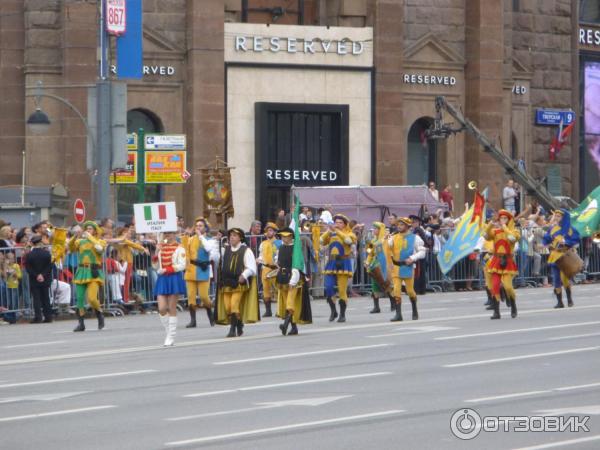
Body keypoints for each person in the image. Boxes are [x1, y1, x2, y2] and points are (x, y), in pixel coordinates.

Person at [216, 228, 259, 337]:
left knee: (234, 305)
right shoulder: (225, 249)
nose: (232, 237)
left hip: (239, 284)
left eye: (235, 235)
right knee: (227, 307)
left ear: (240, 238)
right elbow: (215, 258)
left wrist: (244, 275)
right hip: (226, 283)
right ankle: (239, 324)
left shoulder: (246, 250)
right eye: (231, 235)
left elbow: (252, 267)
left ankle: (232, 330)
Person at [68, 221, 106, 332]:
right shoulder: (80, 241)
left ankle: (99, 314)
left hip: (93, 271)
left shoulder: (100, 241)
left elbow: (99, 249)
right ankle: (81, 323)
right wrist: (75, 236)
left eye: (90, 229)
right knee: (79, 299)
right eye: (87, 229)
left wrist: (90, 237)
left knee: (92, 298)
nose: (88, 230)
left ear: (95, 231)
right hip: (81, 271)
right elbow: (70, 248)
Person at [484, 210, 521, 319]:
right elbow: (485, 235)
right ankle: (496, 312)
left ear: (509, 220)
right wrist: (491, 223)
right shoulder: (495, 231)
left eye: (505, 218)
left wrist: (505, 227)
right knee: (495, 286)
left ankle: (513, 305)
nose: (502, 220)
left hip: (508, 261)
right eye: (501, 219)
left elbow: (512, 239)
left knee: (508, 287)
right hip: (496, 260)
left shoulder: (514, 232)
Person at [182, 216, 218, 328]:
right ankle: (193, 321)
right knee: (191, 296)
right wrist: (186, 235)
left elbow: (208, 249)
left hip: (203, 270)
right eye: (196, 226)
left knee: (203, 296)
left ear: (206, 228)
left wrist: (200, 236)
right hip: (191, 269)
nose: (198, 227)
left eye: (200, 226)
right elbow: (184, 249)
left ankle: (210, 314)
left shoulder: (210, 240)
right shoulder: (191, 239)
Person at [388, 217, 426, 321]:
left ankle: (414, 309)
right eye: (398, 225)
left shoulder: (415, 238)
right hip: (396, 267)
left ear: (408, 226)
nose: (399, 227)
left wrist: (412, 258)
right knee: (396, 290)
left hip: (408, 267)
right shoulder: (393, 237)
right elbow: (387, 247)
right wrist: (385, 240)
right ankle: (398, 314)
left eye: (402, 225)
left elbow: (422, 252)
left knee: (410, 291)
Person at [320, 214, 357, 323]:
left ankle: (342, 314)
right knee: (328, 287)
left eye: (340, 223)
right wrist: (328, 231)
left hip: (343, 263)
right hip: (331, 262)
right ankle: (333, 311)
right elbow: (321, 241)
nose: (337, 224)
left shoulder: (349, 233)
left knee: (342, 290)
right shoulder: (331, 233)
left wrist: (338, 231)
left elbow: (348, 241)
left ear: (345, 224)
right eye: (336, 222)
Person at [275, 227, 312, 335]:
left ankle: (285, 325)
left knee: (290, 303)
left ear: (291, 237)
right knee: (286, 301)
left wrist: (292, 281)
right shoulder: (281, 247)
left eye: (286, 236)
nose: (283, 238)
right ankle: (293, 327)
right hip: (283, 277)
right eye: (282, 236)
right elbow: (279, 261)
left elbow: (296, 266)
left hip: (293, 278)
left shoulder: (296, 249)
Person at [154, 231, 187, 346]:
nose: (167, 234)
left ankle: (171, 336)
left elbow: (182, 265)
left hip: (173, 277)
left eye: (170, 232)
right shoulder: (161, 247)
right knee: (162, 308)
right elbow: (154, 265)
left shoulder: (180, 248)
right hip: (163, 278)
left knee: (171, 307)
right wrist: (157, 251)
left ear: (175, 234)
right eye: (165, 232)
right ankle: (168, 332)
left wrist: (168, 270)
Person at [543, 209, 580, 308]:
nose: (556, 218)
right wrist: (545, 244)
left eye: (559, 216)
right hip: (554, 256)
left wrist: (567, 242)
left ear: (564, 218)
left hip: (565, 256)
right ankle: (559, 302)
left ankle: (569, 299)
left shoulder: (570, 229)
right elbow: (546, 239)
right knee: (556, 279)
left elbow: (576, 239)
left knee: (564, 279)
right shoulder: (553, 228)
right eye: (556, 216)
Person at [114, 225, 149, 303]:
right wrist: (143, 248)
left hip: (127, 262)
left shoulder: (121, 240)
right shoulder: (123, 239)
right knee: (125, 282)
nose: (130, 235)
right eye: (128, 233)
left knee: (125, 282)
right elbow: (134, 245)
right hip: (125, 262)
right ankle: (125, 298)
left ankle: (125, 298)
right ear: (124, 233)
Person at [365, 222, 394, 313]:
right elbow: (369, 253)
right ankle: (376, 307)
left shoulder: (385, 239)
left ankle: (393, 304)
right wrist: (367, 261)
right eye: (373, 228)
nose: (374, 230)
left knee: (387, 284)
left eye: (376, 229)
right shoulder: (372, 241)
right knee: (375, 286)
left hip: (384, 265)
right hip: (374, 265)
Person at [25, 235, 53, 323]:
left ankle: (38, 317)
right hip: (45, 278)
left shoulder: (29, 255)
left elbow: (28, 268)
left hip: (34, 279)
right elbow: (50, 266)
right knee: (46, 297)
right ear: (40, 243)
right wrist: (42, 275)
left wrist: (36, 275)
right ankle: (48, 316)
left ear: (33, 244)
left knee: (36, 298)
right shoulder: (47, 253)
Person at [256, 222, 279, 317]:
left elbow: (278, 255)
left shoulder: (278, 243)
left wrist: (276, 264)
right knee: (266, 289)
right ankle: (268, 311)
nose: (268, 232)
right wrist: (259, 260)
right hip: (265, 268)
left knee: (278, 289)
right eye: (267, 230)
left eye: (271, 230)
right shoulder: (263, 243)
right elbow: (261, 255)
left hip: (274, 269)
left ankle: (280, 310)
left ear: (274, 232)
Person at [409, 215, 432, 295]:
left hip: (419, 252)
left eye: (413, 222)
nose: (412, 224)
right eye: (411, 222)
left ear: (418, 223)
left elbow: (420, 242)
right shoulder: (416, 230)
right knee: (419, 271)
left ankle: (419, 289)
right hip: (419, 252)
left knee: (419, 271)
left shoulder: (418, 230)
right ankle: (421, 289)